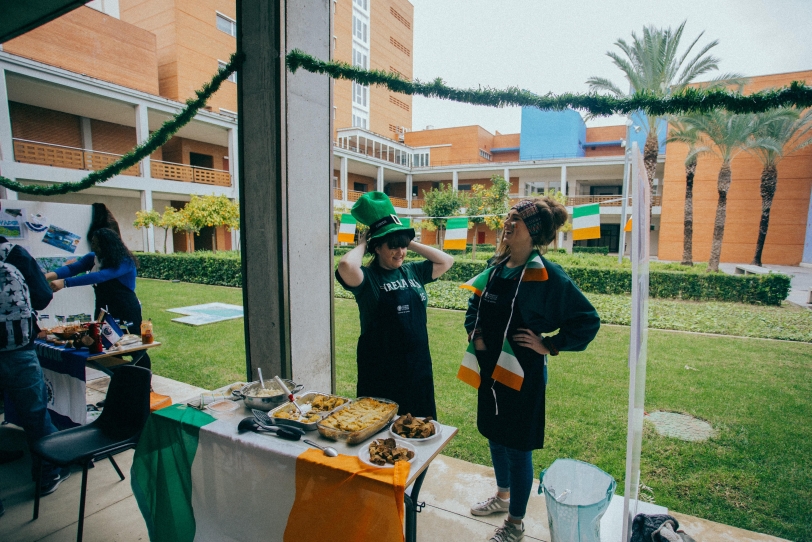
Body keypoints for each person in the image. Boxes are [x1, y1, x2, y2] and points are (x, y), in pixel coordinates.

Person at [461, 197, 600, 542]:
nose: (508, 224)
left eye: (516, 221)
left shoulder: (549, 276)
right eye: (507, 218)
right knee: (495, 434)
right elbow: (473, 305)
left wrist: (550, 344)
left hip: (523, 374)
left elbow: (587, 320)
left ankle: (515, 524)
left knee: (517, 447)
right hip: (489, 366)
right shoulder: (497, 268)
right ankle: (502, 497)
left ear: (533, 231)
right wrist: (474, 333)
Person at [336, 192, 453, 419]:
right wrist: (364, 242)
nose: (400, 252)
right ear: (377, 248)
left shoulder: (414, 271)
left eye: (403, 246)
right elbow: (345, 265)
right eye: (393, 246)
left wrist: (403, 238)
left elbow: (446, 261)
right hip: (382, 371)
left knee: (419, 428)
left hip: (418, 366)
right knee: (382, 433)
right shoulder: (367, 279)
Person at [0, 236, 71, 498]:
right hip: (16, 350)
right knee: (35, 414)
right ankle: (48, 472)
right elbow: (41, 297)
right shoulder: (14, 253)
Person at [45, 228, 150, 370]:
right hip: (103, 307)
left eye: (96, 243)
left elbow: (101, 276)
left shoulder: (125, 260)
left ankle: (145, 383)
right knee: (109, 346)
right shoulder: (92, 258)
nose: (93, 246)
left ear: (107, 245)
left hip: (125, 308)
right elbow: (72, 269)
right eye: (92, 243)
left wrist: (65, 283)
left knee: (135, 347)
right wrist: (48, 276)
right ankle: (121, 381)